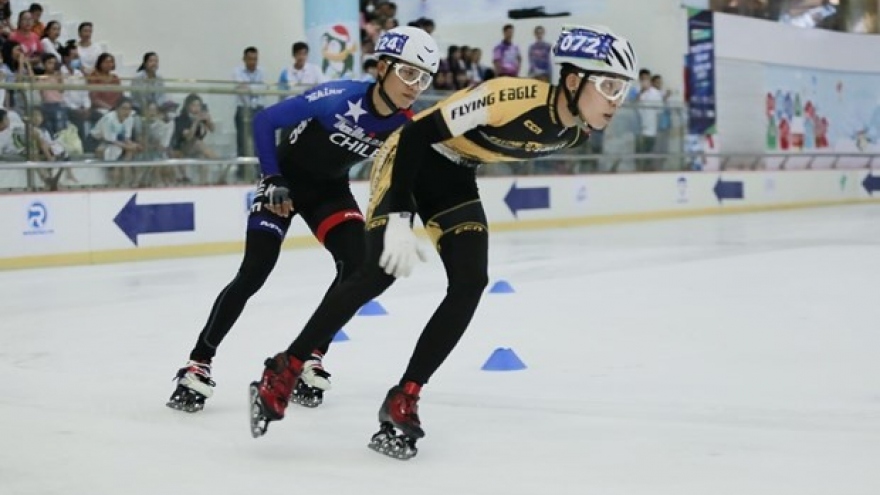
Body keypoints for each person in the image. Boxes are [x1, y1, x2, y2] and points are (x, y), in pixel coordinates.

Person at [248, 25, 638, 458]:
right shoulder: (508, 96)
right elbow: (416, 134)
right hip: (409, 158)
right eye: (607, 85)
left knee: (471, 281)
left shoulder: (575, 130)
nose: (616, 99)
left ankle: (405, 395)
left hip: (455, 175)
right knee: (377, 274)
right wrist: (398, 215)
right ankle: (287, 365)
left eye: (621, 88)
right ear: (571, 80)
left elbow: (471, 152)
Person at [167, 26, 440, 413]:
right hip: (284, 184)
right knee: (254, 272)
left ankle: (312, 354)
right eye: (408, 73)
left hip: (329, 192)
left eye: (424, 78)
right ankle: (198, 363)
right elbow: (264, 121)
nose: (415, 86)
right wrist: (272, 178)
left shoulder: (404, 126)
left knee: (358, 266)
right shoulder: (339, 96)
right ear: (382, 67)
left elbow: (406, 181)